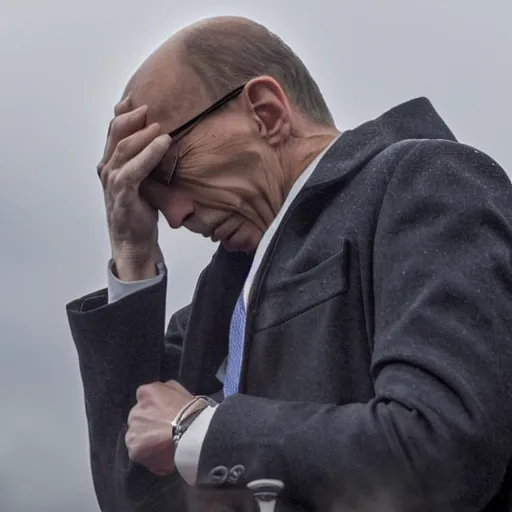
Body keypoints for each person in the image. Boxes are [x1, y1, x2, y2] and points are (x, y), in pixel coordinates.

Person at [66, 15, 512, 512]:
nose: (173, 216)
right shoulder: (217, 304)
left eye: (168, 169)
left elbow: (441, 448)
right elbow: (134, 495)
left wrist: (201, 429)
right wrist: (132, 255)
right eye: (151, 198)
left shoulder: (424, 182)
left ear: (266, 112)